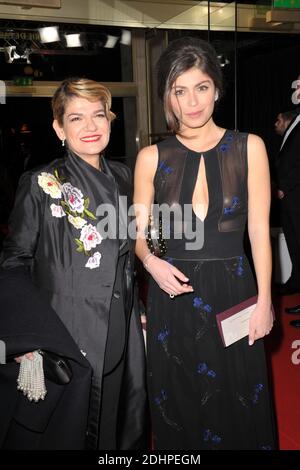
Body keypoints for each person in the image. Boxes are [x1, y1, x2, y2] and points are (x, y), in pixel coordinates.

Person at [134, 37, 276, 450]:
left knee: (238, 397)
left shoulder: (250, 147)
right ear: (168, 96)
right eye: (180, 90)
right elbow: (139, 236)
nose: (191, 102)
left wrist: (265, 300)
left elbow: (258, 233)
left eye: (201, 87)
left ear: (216, 88)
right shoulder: (150, 157)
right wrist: (150, 263)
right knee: (178, 398)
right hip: (171, 293)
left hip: (234, 289)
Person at [0, 77, 147, 450]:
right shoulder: (40, 182)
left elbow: (128, 253)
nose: (91, 127)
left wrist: (140, 306)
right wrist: (26, 335)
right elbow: (14, 262)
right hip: (66, 329)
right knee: (75, 428)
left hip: (121, 323)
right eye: (77, 118)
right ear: (58, 127)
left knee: (118, 420)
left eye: (99, 115)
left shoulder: (126, 177)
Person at [275, 107, 300, 297]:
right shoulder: (294, 127)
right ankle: (296, 283)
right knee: (294, 244)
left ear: (286, 120)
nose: (276, 125)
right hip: (290, 200)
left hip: (294, 196)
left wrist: (285, 187)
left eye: (278, 120)